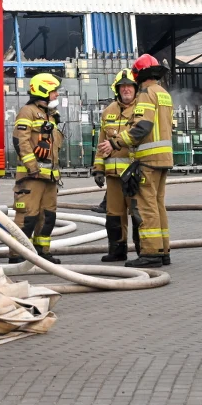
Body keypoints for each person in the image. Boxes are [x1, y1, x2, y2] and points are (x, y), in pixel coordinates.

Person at [102, 54, 173, 268]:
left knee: (146, 206)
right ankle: (163, 250)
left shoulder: (146, 94)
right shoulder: (163, 93)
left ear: (139, 75)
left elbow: (143, 127)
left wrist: (116, 143)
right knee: (159, 205)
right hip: (164, 158)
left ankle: (151, 253)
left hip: (148, 159)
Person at [10, 73, 64, 264]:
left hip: (49, 178)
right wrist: (32, 166)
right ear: (43, 91)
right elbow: (20, 141)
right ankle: (18, 255)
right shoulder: (27, 112)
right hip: (31, 177)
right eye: (53, 91)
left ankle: (42, 252)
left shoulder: (50, 116)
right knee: (27, 217)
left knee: (47, 217)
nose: (57, 95)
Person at [91, 70, 139, 262]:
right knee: (114, 215)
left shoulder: (142, 110)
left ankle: (144, 252)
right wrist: (98, 168)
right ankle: (117, 250)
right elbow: (102, 144)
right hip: (113, 176)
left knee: (138, 213)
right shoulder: (108, 111)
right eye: (123, 86)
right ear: (117, 89)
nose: (126, 89)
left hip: (135, 174)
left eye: (130, 86)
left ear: (136, 89)